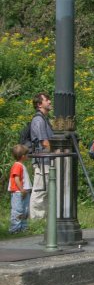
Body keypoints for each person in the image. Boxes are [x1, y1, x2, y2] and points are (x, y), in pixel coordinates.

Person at [29, 92, 54, 220]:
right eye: (47, 100)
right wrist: (56, 153)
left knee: (47, 190)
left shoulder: (45, 119)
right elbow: (44, 142)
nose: (50, 102)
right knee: (40, 190)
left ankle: (43, 219)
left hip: (47, 160)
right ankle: (36, 219)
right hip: (42, 160)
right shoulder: (38, 120)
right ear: (39, 104)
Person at [8, 144, 32, 234]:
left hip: (24, 192)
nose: (28, 156)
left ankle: (23, 227)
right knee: (17, 210)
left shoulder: (21, 165)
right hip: (18, 192)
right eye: (27, 154)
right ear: (23, 156)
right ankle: (15, 229)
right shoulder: (17, 165)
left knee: (25, 210)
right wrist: (21, 189)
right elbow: (16, 178)